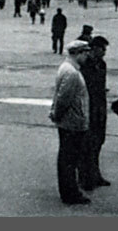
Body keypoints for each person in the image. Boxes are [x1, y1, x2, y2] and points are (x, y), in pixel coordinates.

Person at [49, 40, 91, 205]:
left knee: (67, 158)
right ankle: (70, 193)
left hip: (69, 121)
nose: (87, 56)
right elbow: (63, 99)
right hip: (71, 123)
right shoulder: (72, 73)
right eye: (85, 53)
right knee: (69, 160)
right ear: (78, 53)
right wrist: (57, 115)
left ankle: (69, 191)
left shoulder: (67, 68)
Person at [79, 36, 111, 191]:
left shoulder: (101, 64)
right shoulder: (85, 65)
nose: (104, 52)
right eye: (102, 48)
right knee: (87, 145)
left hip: (100, 108)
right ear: (94, 48)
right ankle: (85, 178)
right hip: (89, 108)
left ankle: (96, 174)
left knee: (99, 142)